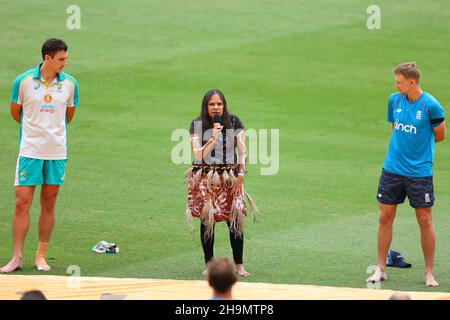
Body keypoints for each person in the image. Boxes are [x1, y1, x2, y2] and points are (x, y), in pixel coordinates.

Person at [1, 38, 79, 273]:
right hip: (30, 150)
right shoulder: (23, 82)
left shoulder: (70, 84)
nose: (65, 63)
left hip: (56, 151)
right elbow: (17, 114)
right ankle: (16, 258)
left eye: (66, 58)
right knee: (21, 202)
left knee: (49, 202)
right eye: (61, 59)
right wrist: (37, 130)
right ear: (47, 58)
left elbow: (68, 116)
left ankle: (41, 255)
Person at [367, 62, 445, 287]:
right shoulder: (394, 100)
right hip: (392, 169)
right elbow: (396, 129)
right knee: (384, 217)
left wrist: (418, 151)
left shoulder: (431, 105)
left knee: (425, 219)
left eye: (399, 81)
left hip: (419, 173)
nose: (395, 85)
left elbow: (439, 135)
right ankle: (380, 269)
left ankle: (429, 273)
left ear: (412, 82)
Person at [185, 89, 258, 277]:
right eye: (212, 104)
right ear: (205, 106)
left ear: (224, 105)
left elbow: (242, 151)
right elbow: (198, 154)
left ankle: (239, 264)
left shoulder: (234, 122)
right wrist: (213, 137)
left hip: (230, 177)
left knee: (235, 221)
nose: (216, 107)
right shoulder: (197, 124)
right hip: (205, 178)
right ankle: (209, 264)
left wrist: (241, 174)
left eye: (219, 104)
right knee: (207, 221)